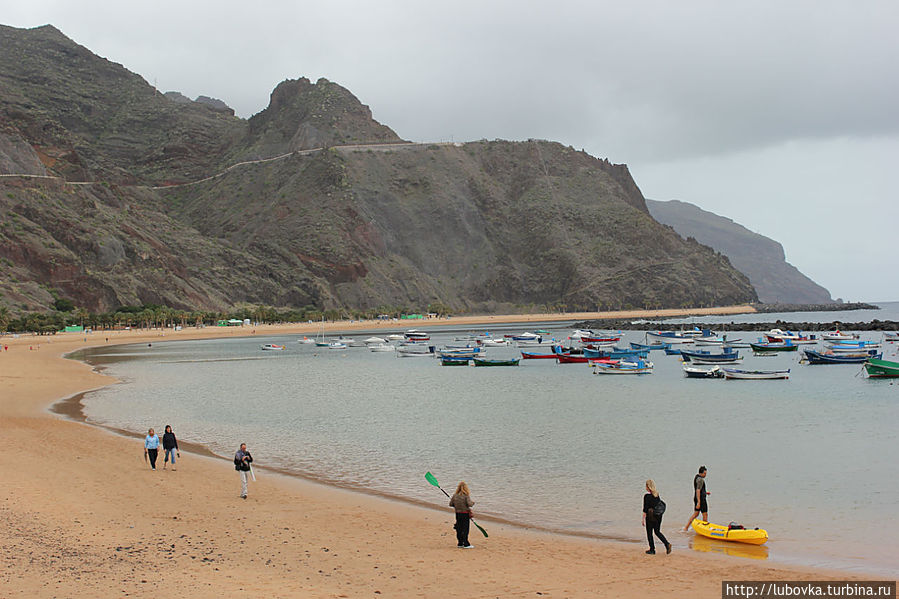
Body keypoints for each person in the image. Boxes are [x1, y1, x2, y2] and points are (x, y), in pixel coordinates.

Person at [642, 479, 671, 555]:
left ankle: (652, 549)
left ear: (648, 487)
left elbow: (645, 509)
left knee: (649, 533)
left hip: (650, 516)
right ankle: (667, 544)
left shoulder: (646, 496)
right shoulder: (657, 495)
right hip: (658, 516)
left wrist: (643, 519)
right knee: (657, 532)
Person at [683, 466, 710, 531]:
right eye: (705, 473)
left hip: (697, 498)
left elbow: (699, 490)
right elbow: (698, 490)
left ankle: (686, 528)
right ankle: (705, 529)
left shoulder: (696, 477)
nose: (705, 475)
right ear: (701, 473)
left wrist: (705, 492)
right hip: (701, 499)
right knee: (705, 514)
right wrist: (699, 502)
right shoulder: (700, 480)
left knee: (696, 514)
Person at [449, 481, 475, 548]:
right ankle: (466, 543)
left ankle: (460, 543)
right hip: (465, 514)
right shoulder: (466, 495)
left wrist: (456, 504)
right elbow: (469, 504)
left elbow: (450, 504)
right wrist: (473, 503)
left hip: (458, 514)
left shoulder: (455, 496)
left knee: (459, 528)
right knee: (465, 529)